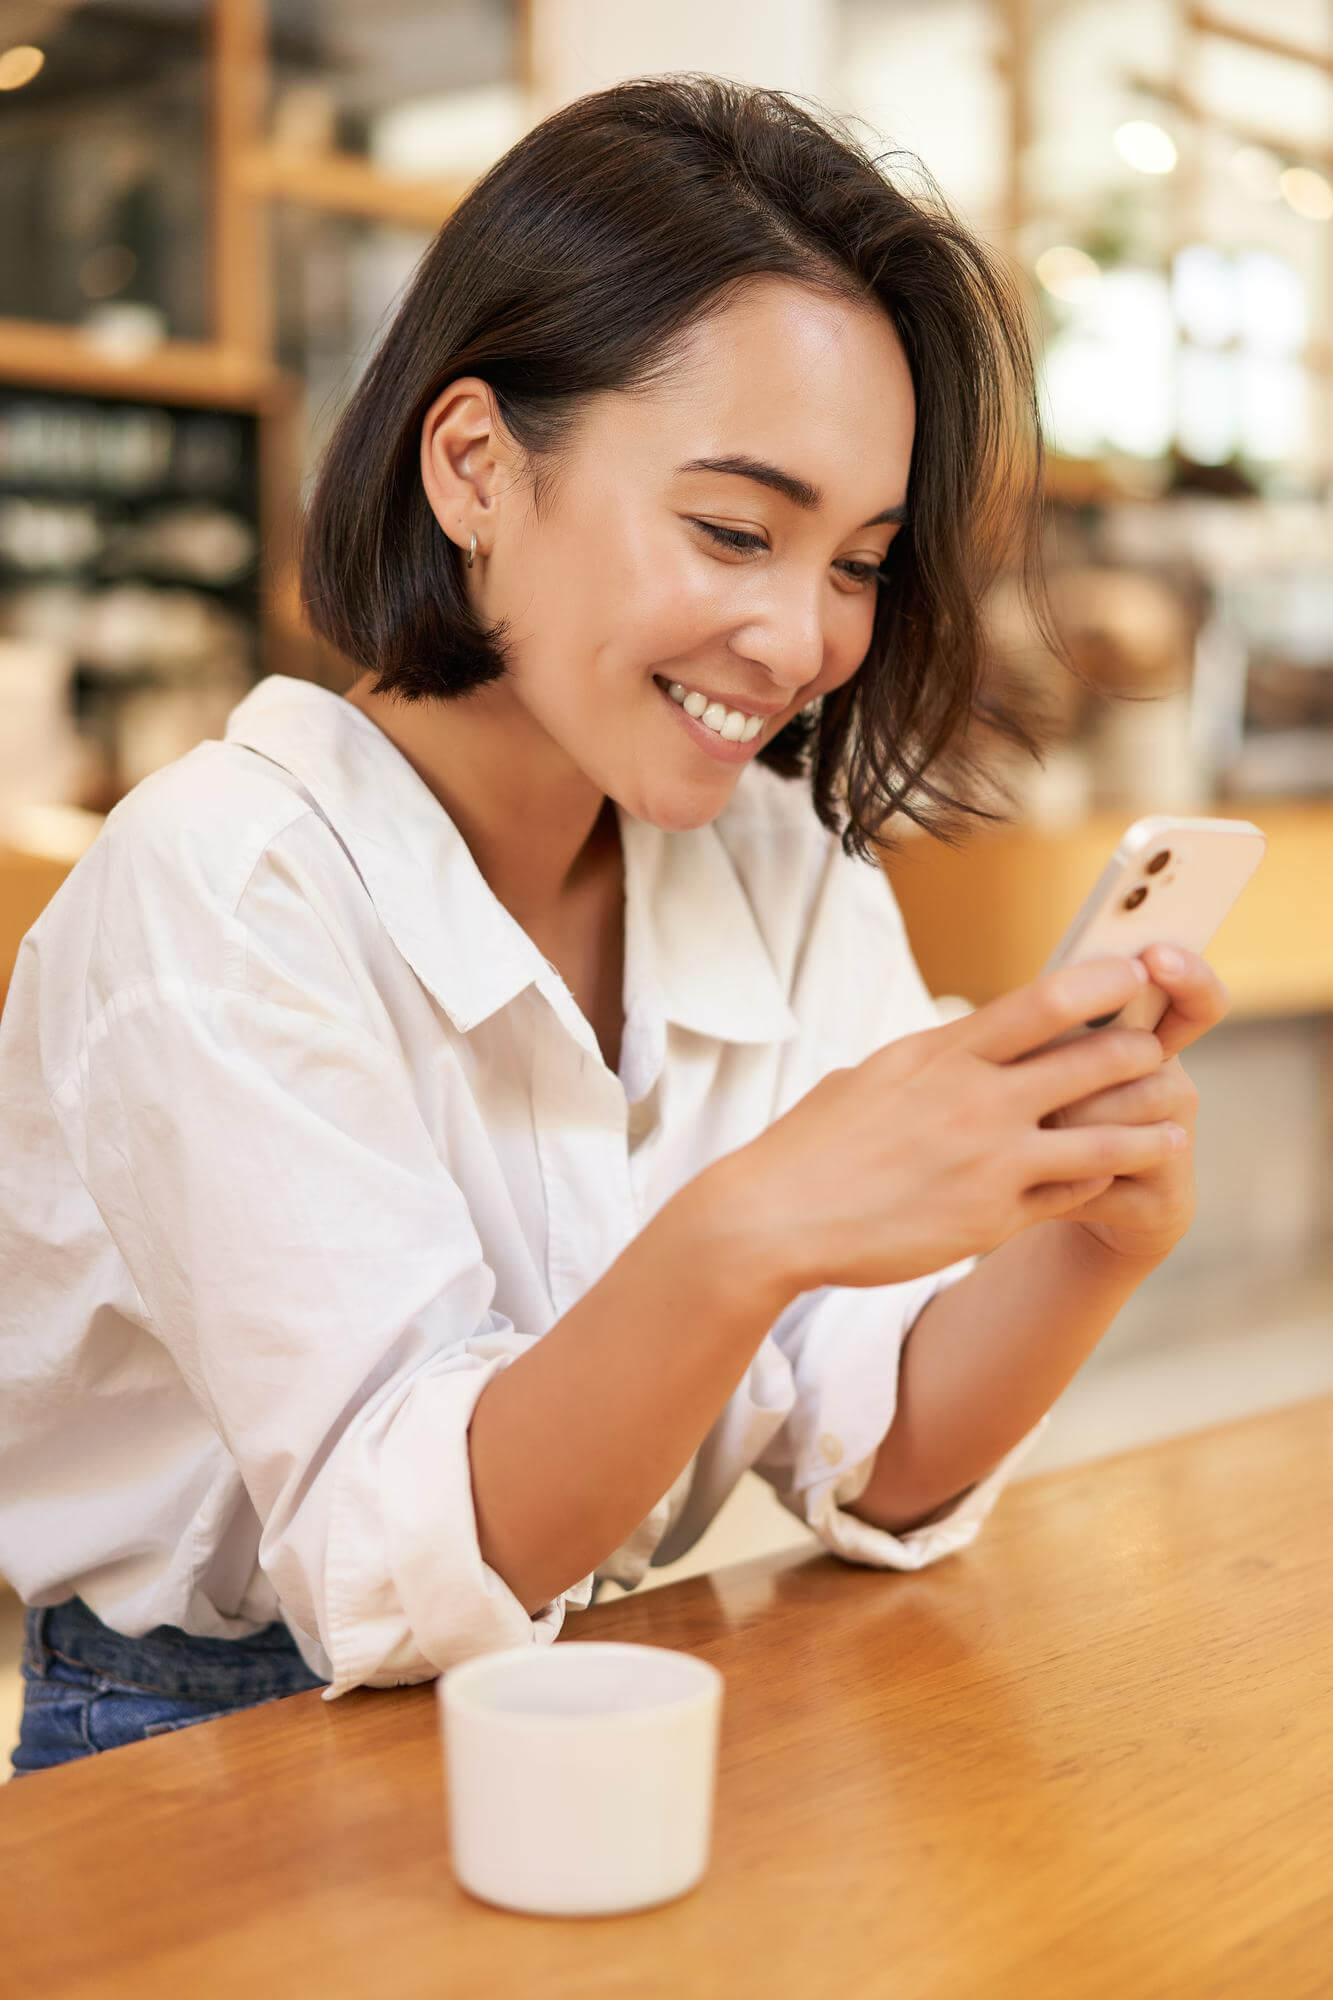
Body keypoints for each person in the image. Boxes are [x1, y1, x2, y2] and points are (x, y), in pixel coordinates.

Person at [0, 76, 1225, 1776]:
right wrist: (753, 1228)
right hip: (197, 1755)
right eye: (733, 530)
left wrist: (1089, 1236)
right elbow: (394, 1559)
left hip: (605, 1696)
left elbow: (878, 1446)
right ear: (478, 465)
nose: (802, 641)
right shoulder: (225, 879)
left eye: (858, 563)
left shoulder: (780, 868)